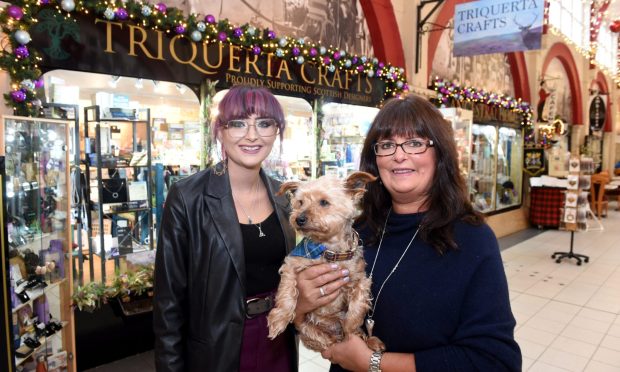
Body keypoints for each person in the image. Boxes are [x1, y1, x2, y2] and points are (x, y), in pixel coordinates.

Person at [294, 94, 521, 371]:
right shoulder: (355, 232)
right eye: (387, 145)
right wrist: (301, 306)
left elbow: (495, 361)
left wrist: (373, 362)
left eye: (415, 143)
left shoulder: (470, 238)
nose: (399, 155)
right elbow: (320, 319)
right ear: (374, 160)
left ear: (440, 154)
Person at [153, 85, 297, 371]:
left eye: (265, 123)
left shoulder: (285, 196)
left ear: (277, 132)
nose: (252, 135)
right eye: (238, 123)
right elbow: (168, 304)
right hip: (217, 348)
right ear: (220, 131)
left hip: (277, 341)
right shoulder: (187, 197)